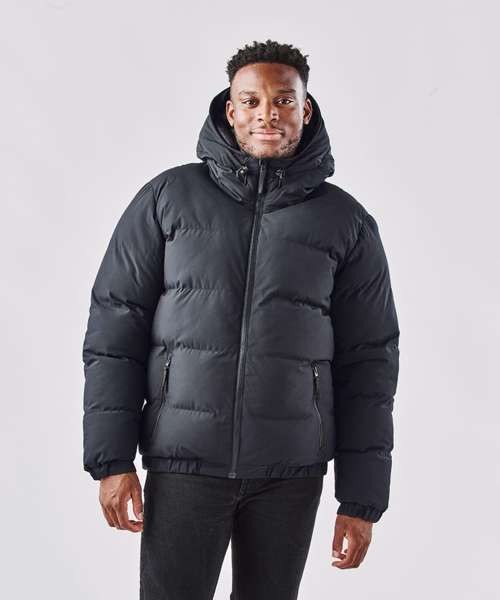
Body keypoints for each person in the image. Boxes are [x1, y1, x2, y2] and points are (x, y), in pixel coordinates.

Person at [82, 39, 400, 600]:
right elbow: (114, 331)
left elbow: (370, 361)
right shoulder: (168, 198)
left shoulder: (346, 222)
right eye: (251, 101)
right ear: (230, 111)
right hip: (185, 463)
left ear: (306, 109)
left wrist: (362, 498)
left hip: (290, 472)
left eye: (283, 100)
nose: (266, 114)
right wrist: (111, 460)